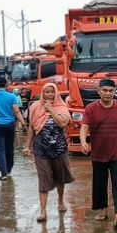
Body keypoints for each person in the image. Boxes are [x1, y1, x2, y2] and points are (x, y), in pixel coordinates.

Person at [80, 79, 117, 228]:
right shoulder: (91, 109)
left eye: (111, 91)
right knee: (99, 184)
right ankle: (102, 211)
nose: (108, 93)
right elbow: (84, 126)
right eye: (105, 90)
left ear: (115, 92)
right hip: (99, 153)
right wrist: (83, 142)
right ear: (99, 91)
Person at [23, 83, 75, 222]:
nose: (50, 95)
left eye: (52, 92)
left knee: (60, 177)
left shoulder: (62, 107)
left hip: (59, 149)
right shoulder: (34, 107)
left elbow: (63, 123)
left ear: (56, 93)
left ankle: (60, 201)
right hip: (41, 149)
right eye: (47, 92)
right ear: (42, 93)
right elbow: (32, 128)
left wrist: (51, 110)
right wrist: (28, 146)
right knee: (43, 178)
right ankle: (43, 211)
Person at [0, 76, 27, 180]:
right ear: (6, 85)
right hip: (9, 125)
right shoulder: (11, 97)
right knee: (9, 148)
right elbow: (16, 111)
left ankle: (3, 173)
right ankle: (8, 169)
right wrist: (24, 124)